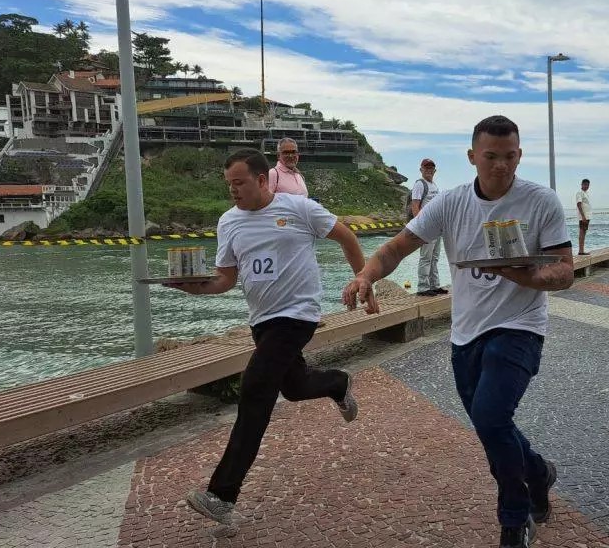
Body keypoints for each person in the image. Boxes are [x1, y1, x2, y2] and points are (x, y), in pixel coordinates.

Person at [342, 115, 574, 548]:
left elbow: (564, 271)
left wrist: (525, 277)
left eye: (509, 157)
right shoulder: (450, 203)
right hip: (465, 334)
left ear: (519, 155)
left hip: (519, 326)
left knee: (489, 416)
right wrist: (366, 275)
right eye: (491, 157)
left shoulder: (541, 202)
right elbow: (396, 247)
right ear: (472, 157)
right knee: (492, 423)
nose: (501, 166)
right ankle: (538, 472)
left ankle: (514, 518)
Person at [167, 148, 369, 526]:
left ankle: (222, 495)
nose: (233, 191)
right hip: (262, 321)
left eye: (239, 183)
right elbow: (225, 279)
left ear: (262, 180)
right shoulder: (228, 223)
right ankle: (338, 383)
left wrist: (365, 281)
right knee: (293, 386)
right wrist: (192, 289)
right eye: (229, 185)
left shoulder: (299, 208)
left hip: (297, 316)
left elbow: (347, 238)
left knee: (255, 389)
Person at [412, 158, 447, 296]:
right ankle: (423, 287)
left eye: (431, 168)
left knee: (435, 257)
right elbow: (415, 206)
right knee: (426, 258)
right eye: (426, 168)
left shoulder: (434, 185)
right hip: (426, 228)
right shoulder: (420, 184)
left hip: (436, 228)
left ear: (435, 170)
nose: (429, 170)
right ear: (421, 169)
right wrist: (420, 227)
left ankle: (434, 285)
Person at [576, 179, 592, 255]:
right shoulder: (580, 193)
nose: (586, 186)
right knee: (582, 233)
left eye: (588, 185)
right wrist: (583, 216)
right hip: (583, 216)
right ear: (581, 184)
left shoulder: (586, 193)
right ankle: (581, 251)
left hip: (587, 216)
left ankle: (582, 250)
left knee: (584, 233)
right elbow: (579, 204)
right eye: (585, 184)